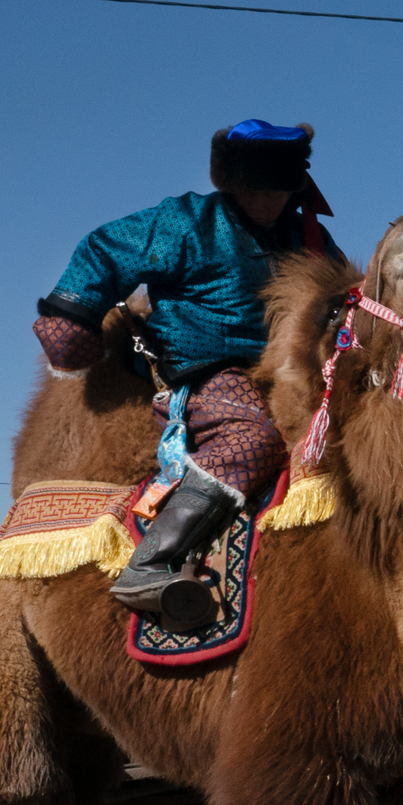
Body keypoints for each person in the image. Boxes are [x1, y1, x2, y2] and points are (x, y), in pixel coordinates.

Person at [31, 120, 345, 627]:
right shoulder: (185, 223)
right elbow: (103, 247)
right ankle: (149, 564)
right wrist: (73, 314)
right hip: (203, 369)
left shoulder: (309, 238)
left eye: (278, 190)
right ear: (233, 184)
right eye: (255, 188)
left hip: (290, 371)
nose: (267, 200)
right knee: (252, 440)